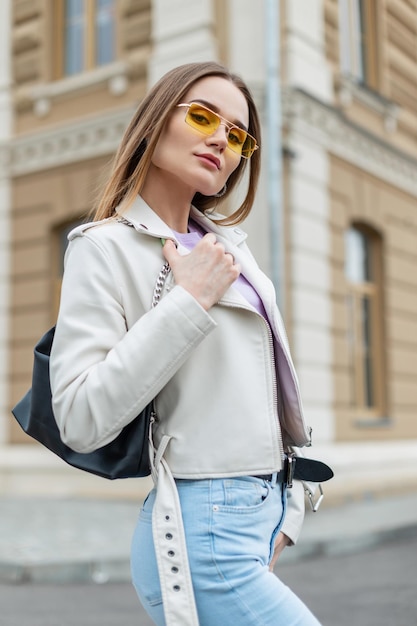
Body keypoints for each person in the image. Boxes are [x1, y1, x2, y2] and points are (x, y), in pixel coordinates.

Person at [50, 61, 323, 626]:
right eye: (202, 115)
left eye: (239, 135)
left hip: (257, 522)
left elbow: (265, 391)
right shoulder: (103, 248)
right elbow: (78, 416)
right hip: (204, 533)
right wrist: (187, 302)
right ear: (155, 120)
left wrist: (288, 510)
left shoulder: (229, 250)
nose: (222, 138)